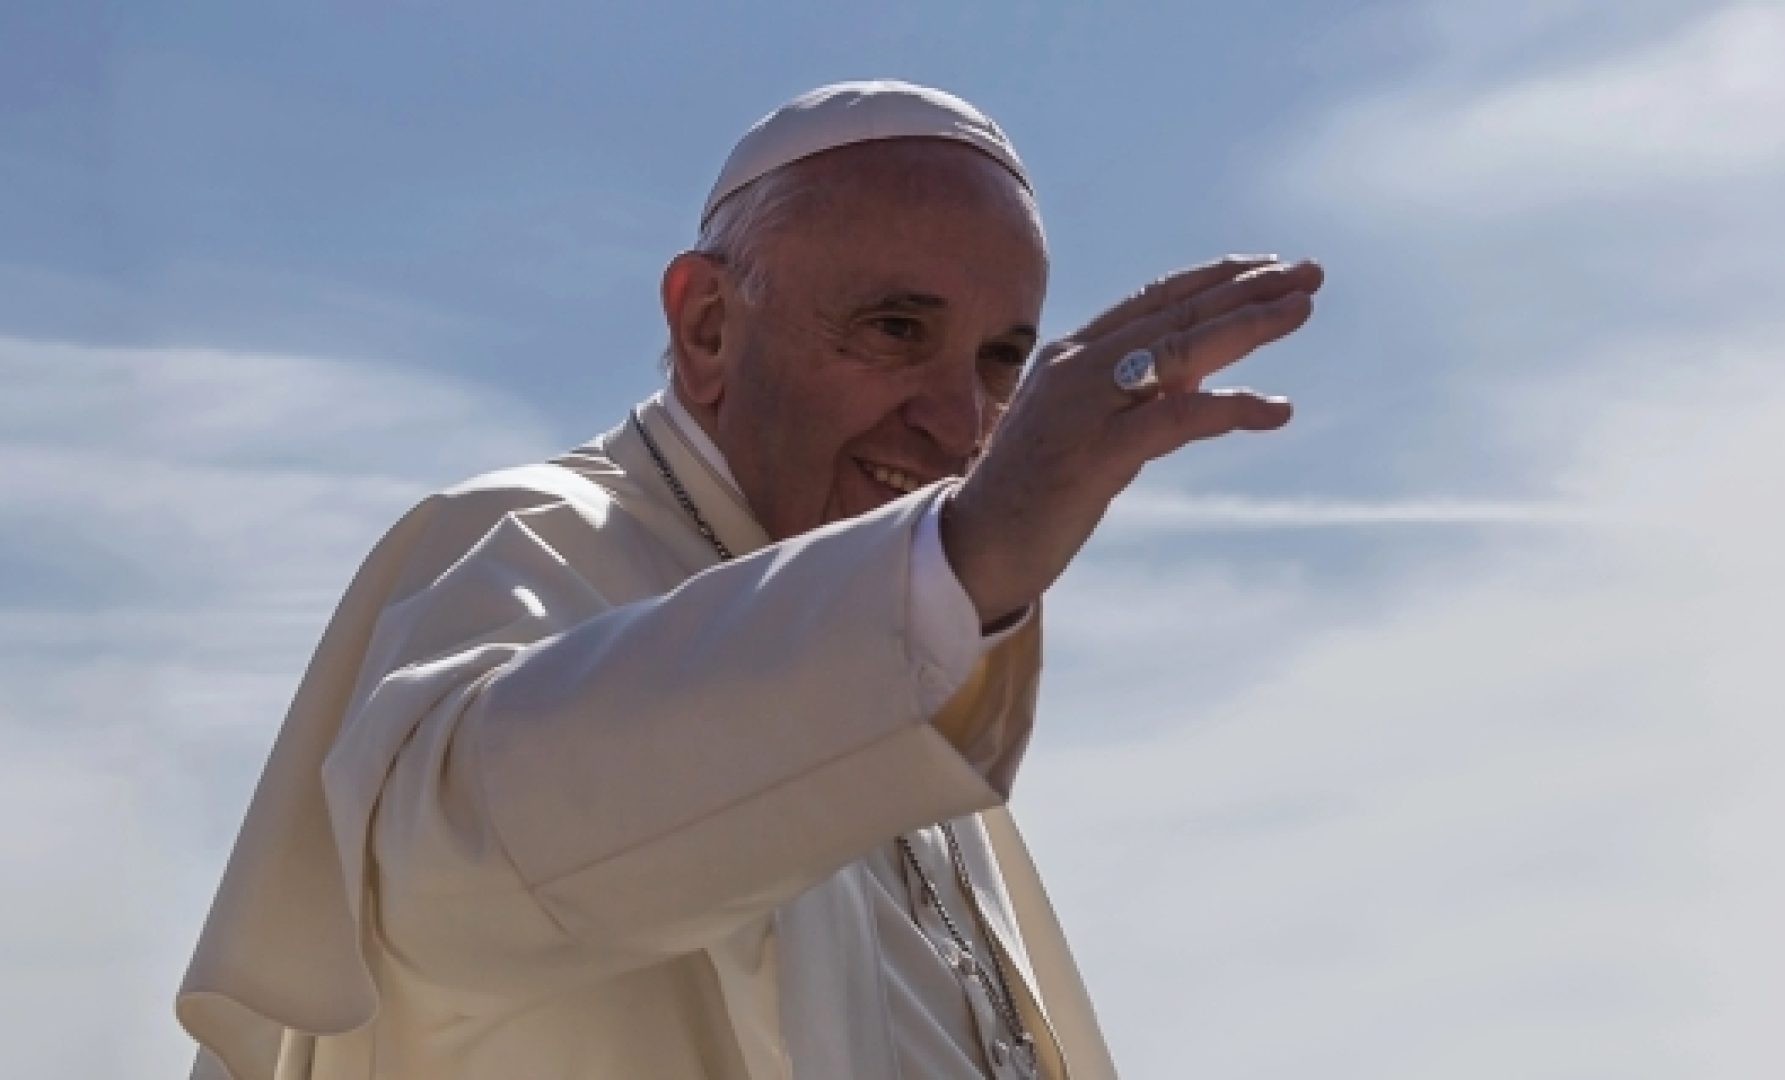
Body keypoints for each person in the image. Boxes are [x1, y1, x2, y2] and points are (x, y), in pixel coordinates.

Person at [175, 80, 1323, 1080]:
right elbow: (445, 875)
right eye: (893, 328)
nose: (960, 423)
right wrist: (963, 563)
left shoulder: (920, 652)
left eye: (1000, 360)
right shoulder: (522, 539)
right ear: (711, 327)